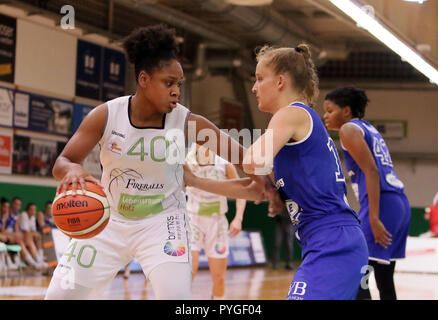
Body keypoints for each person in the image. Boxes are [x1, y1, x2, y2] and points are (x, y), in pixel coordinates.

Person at [45, 24, 272, 300]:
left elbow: (245, 158)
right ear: (144, 79)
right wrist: (72, 170)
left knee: (176, 298)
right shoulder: (106, 115)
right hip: (108, 219)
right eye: (169, 82)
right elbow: (64, 160)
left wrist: (263, 182)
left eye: (179, 84)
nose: (176, 90)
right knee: (60, 295)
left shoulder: (188, 123)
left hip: (163, 222)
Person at [184, 44, 369, 300]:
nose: (254, 87)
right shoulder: (294, 127)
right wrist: (194, 180)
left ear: (280, 81)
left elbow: (251, 163)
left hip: (332, 244)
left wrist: (212, 138)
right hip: (338, 241)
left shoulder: (291, 113)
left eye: (260, 79)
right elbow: (254, 188)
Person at [323, 86, 411, 300]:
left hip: (382, 205)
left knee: (356, 274)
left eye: (330, 110)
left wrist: (372, 216)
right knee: (383, 276)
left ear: (346, 111)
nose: (324, 116)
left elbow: (371, 170)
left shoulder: (348, 130)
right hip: (399, 204)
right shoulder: (368, 128)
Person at [185, 143, 247, 300]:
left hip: (217, 222)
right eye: (199, 141)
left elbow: (242, 192)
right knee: (187, 273)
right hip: (192, 220)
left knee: (219, 278)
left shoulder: (225, 164)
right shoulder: (186, 162)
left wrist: (238, 218)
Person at [19, 203, 48, 270]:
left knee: (38, 237)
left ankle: (40, 260)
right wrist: (34, 234)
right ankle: (34, 263)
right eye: (32, 209)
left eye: (34, 209)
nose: (33, 211)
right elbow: (25, 231)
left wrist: (36, 234)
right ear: (27, 210)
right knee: (29, 237)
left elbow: (33, 231)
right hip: (21, 237)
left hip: (28, 237)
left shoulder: (32, 217)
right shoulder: (24, 215)